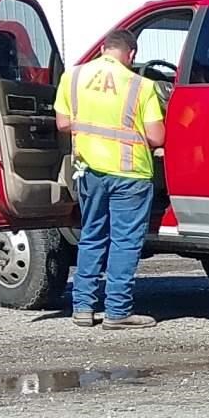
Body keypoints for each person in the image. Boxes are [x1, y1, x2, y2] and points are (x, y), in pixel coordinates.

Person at [54, 28, 167, 328]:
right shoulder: (141, 86)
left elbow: (63, 123)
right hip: (130, 173)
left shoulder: (73, 77)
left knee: (91, 236)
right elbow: (157, 137)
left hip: (89, 169)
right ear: (131, 54)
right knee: (125, 243)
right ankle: (117, 311)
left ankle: (82, 308)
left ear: (104, 48)